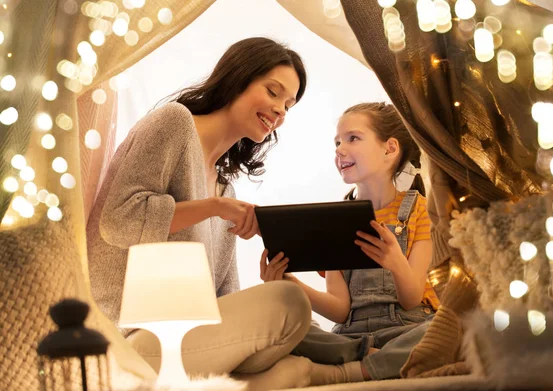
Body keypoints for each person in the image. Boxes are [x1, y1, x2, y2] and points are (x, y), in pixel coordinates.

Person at [86, 37, 313, 388]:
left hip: (190, 339)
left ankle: (357, 365)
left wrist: (264, 288)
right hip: (129, 336)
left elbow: (222, 298)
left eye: (288, 104)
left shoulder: (226, 191)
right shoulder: (174, 123)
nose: (280, 110)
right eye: (272, 92)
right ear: (238, 77)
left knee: (291, 365)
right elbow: (118, 221)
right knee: (290, 303)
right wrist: (212, 208)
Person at [260, 102, 440, 385]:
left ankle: (352, 370)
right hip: (352, 336)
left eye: (353, 138)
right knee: (278, 328)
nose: (339, 149)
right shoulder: (335, 218)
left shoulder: (419, 209)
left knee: (456, 326)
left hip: (408, 328)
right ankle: (370, 358)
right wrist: (289, 285)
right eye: (337, 142)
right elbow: (340, 309)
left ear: (389, 149)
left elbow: (412, 298)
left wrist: (395, 262)